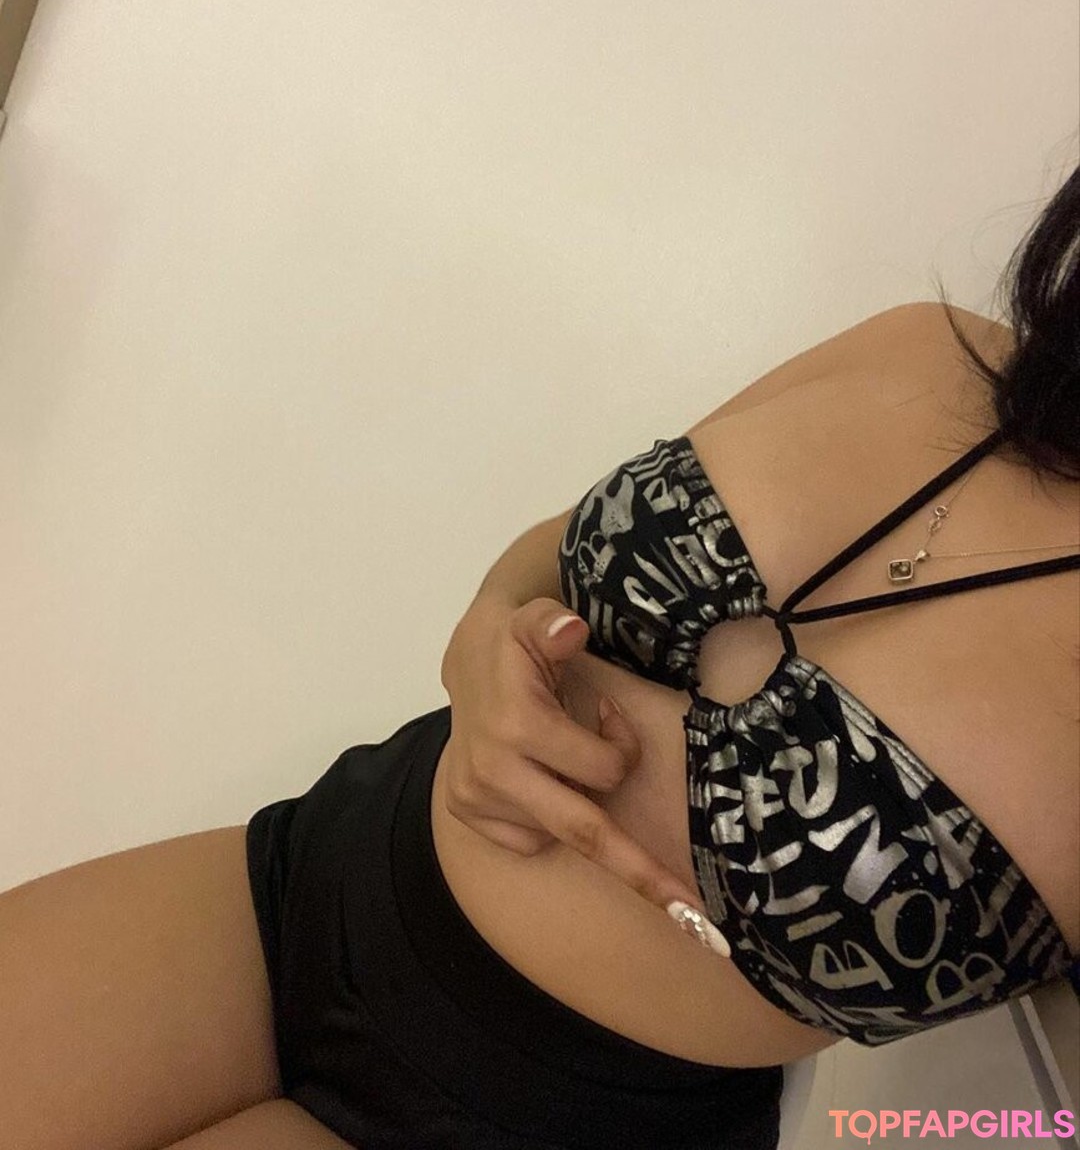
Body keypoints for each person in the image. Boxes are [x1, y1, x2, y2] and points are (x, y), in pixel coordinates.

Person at [3, 167, 1078, 1150]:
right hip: (319, 875)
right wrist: (484, 639)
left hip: (555, 1116)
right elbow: (546, 554)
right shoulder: (926, 347)